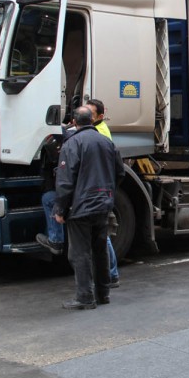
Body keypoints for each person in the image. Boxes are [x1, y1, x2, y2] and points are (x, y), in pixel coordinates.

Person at [54, 106, 124, 310]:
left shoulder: (72, 144)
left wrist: (60, 209)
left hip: (81, 206)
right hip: (103, 204)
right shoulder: (107, 142)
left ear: (74, 123)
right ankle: (103, 294)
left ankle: (85, 297)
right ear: (92, 121)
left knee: (80, 253)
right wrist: (108, 192)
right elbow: (120, 172)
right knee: (100, 249)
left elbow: (66, 181)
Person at [85, 98, 120, 287]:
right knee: (101, 235)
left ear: (100, 116)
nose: (86, 118)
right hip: (102, 189)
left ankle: (112, 274)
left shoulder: (99, 133)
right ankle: (110, 274)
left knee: (102, 235)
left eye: (90, 115)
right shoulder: (99, 129)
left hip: (99, 190)